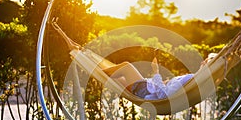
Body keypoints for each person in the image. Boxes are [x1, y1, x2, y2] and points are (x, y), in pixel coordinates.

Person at [52, 20, 215, 100]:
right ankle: (83, 54)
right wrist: (164, 81)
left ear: (207, 67)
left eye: (206, 61)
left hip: (145, 90)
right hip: (145, 86)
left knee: (126, 67)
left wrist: (156, 72)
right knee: (117, 73)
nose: (203, 61)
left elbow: (164, 95)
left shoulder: (192, 79)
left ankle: (93, 68)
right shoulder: (193, 79)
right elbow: (168, 89)